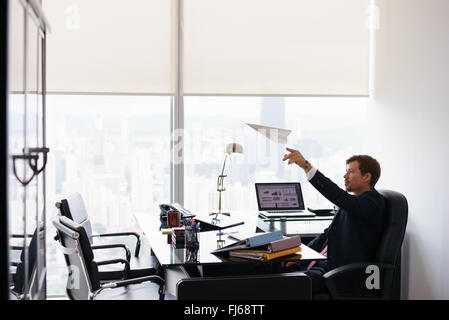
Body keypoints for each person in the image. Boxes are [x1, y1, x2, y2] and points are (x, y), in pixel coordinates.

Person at [282, 147, 387, 295]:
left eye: (351, 171)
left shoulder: (373, 203)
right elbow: (326, 235)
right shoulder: (353, 203)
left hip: (337, 274)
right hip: (320, 264)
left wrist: (307, 167)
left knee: (280, 283)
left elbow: (337, 195)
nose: (345, 176)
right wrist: (300, 257)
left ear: (366, 177)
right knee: (267, 270)